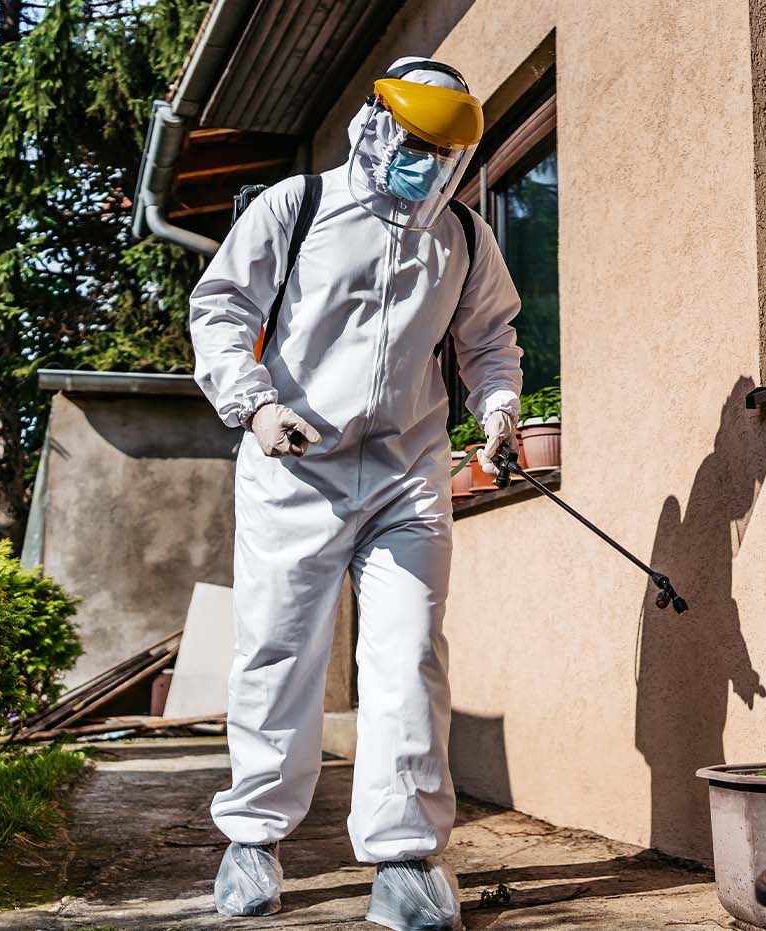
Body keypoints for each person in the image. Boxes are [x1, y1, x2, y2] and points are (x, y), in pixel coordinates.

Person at [189, 56, 522, 931]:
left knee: (409, 653)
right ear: (377, 126)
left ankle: (406, 860)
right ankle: (254, 842)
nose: (427, 164)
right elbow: (220, 307)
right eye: (415, 144)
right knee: (277, 651)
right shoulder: (295, 207)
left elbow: (490, 339)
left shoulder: (463, 237)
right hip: (294, 464)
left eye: (443, 152)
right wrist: (255, 406)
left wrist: (497, 410)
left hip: (407, 474)